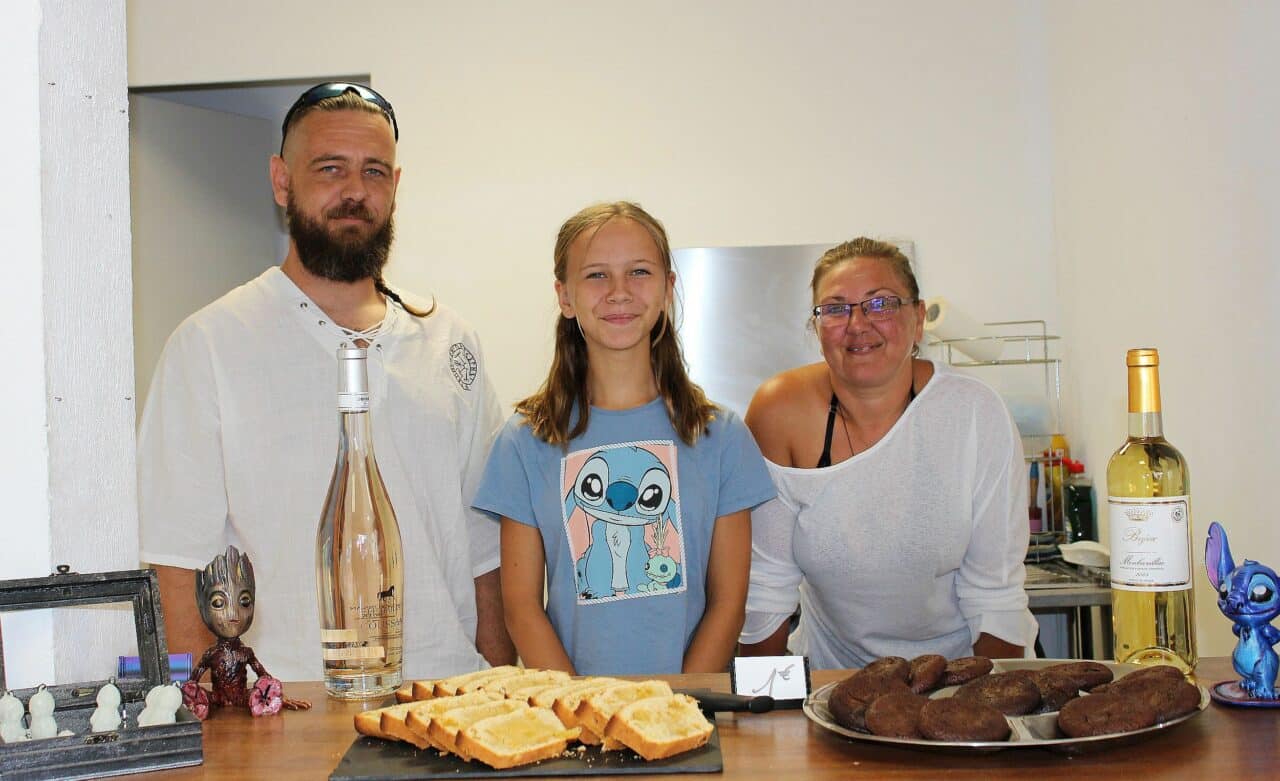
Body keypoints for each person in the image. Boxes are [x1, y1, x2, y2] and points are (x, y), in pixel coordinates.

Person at [137, 82, 515, 681]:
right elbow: (176, 564)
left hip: (446, 700)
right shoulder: (208, 345)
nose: (355, 191)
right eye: (330, 168)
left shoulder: (451, 344)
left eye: (374, 171)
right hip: (281, 715)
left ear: (396, 185)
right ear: (281, 181)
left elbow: (484, 549)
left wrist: (500, 685)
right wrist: (208, 728)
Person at [472, 202, 774, 675]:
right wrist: (581, 708)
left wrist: (679, 705)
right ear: (565, 297)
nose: (619, 293)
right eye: (596, 275)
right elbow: (522, 609)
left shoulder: (722, 437)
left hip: (690, 714)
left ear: (668, 289)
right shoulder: (524, 441)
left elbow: (728, 604)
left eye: (639, 272)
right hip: (573, 719)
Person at [738, 237, 1033, 667]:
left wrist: (986, 705)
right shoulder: (779, 411)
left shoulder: (973, 413)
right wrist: (761, 712)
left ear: (917, 318)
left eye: (880, 304)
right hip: (829, 684)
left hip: (956, 677)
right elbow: (768, 584)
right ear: (816, 328)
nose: (858, 324)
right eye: (836, 308)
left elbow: (995, 593)